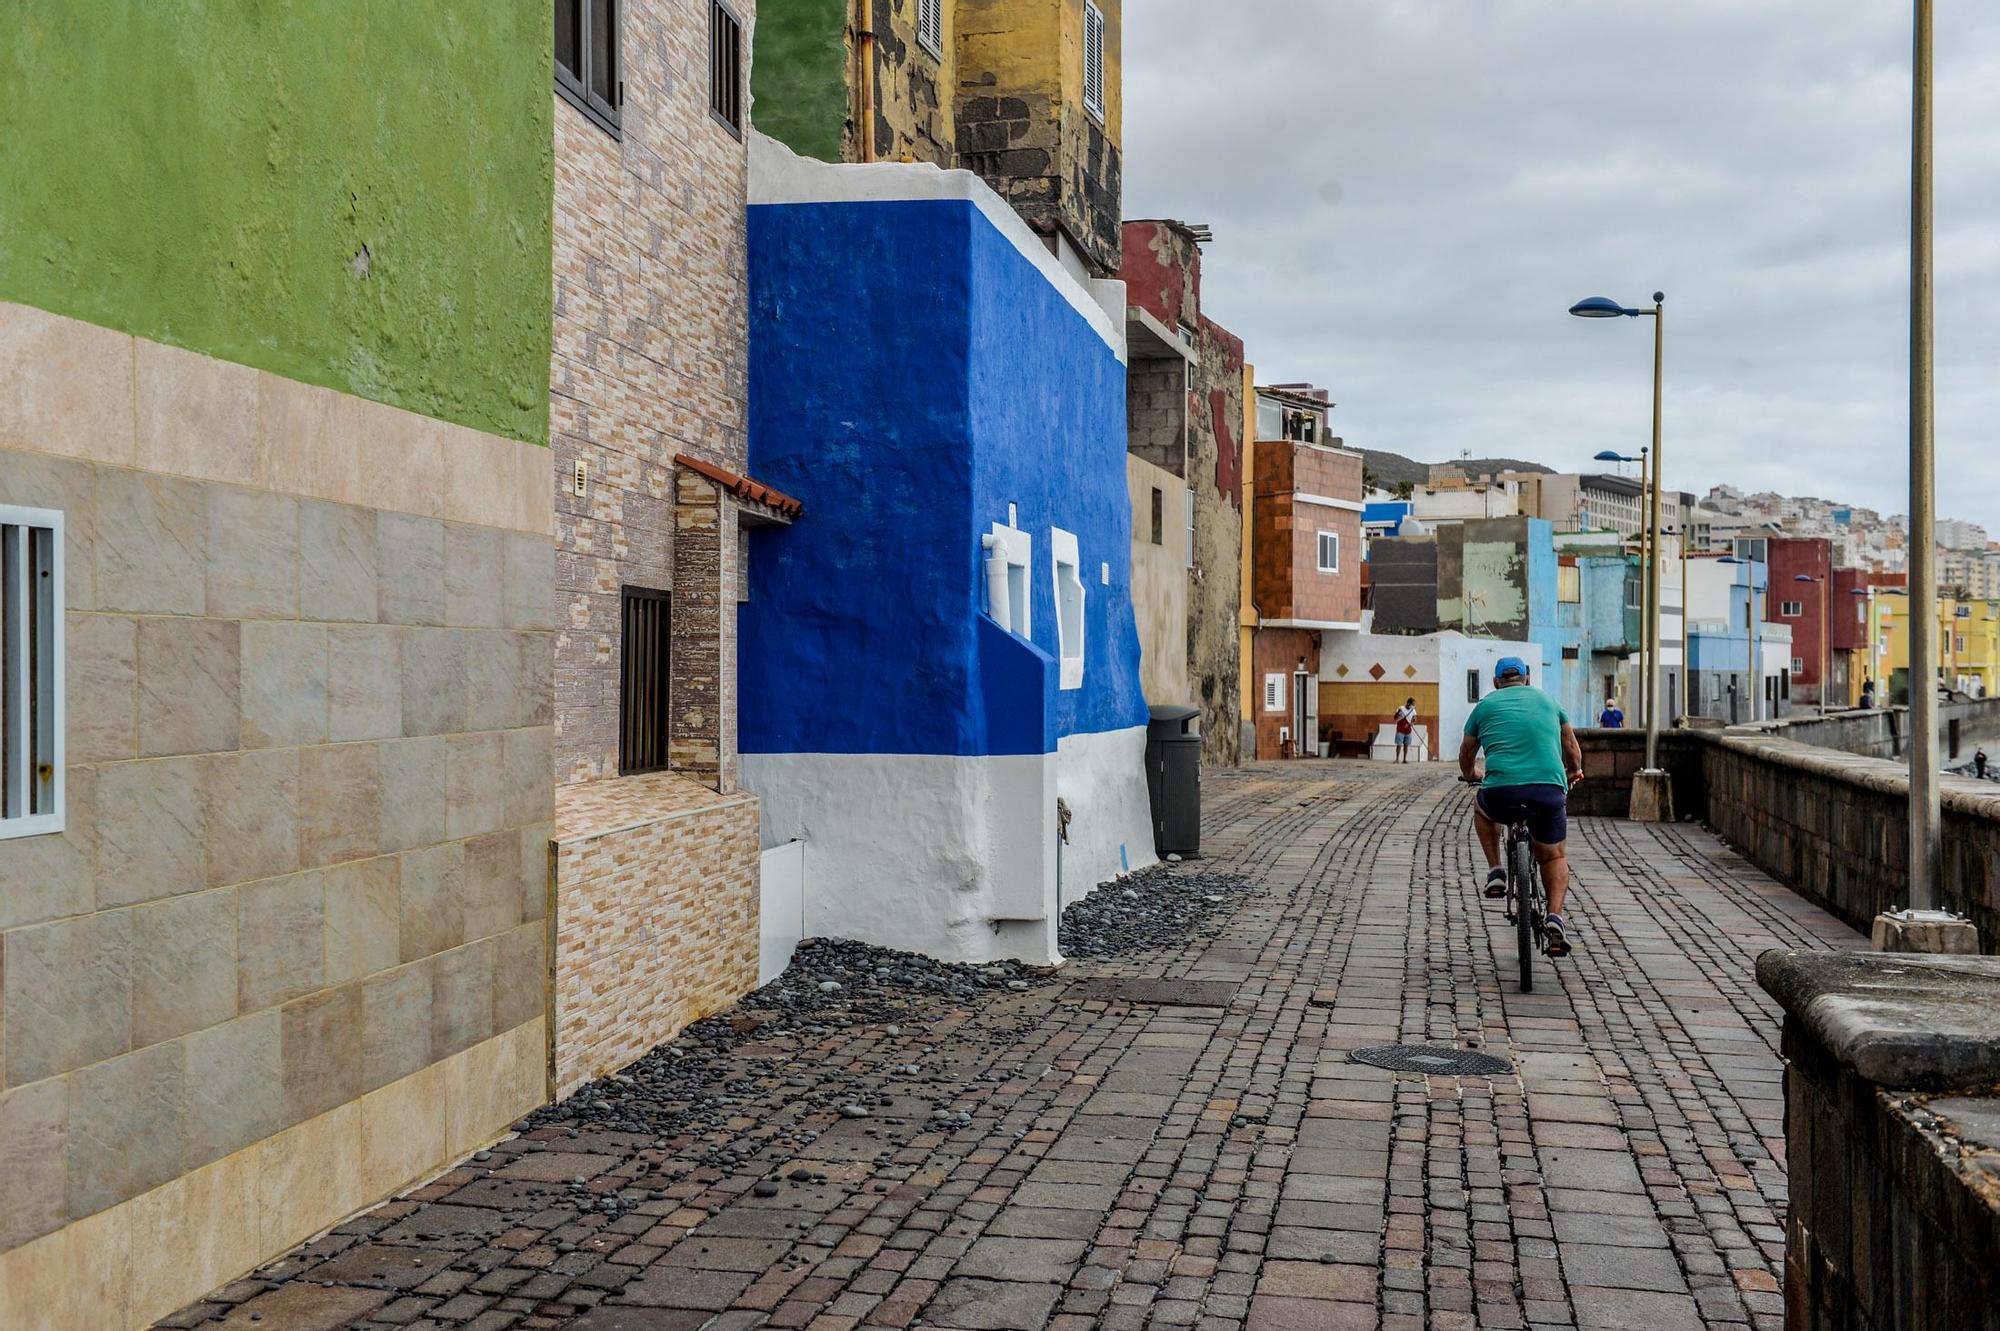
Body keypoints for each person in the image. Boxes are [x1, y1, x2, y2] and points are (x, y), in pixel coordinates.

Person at [1459, 657, 1585, 957]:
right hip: (1548, 792)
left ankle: (1496, 870)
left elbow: (1467, 751)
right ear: (1527, 679)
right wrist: (1575, 770)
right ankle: (1554, 917)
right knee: (1553, 856)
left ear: (1495, 682)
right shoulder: (1549, 702)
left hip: (1501, 792)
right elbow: (1570, 745)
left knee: (1482, 809)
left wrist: (1471, 775)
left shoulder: (1485, 706)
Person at [1393, 698, 1418, 763]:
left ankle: (1404, 759)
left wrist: (1412, 723)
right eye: (1412, 704)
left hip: (1408, 730)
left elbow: (1414, 718)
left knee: (1406, 745)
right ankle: (1397, 759)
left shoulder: (1413, 710)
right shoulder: (1400, 708)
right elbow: (1395, 717)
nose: (1413, 706)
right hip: (1400, 729)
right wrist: (1398, 713)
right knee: (1399, 745)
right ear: (1408, 703)